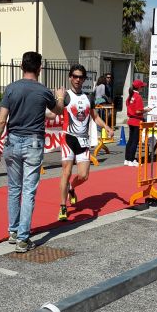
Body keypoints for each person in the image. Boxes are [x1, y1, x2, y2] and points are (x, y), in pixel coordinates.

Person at [0, 51, 65, 252]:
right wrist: (60, 97)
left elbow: (1, 120)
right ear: (39, 68)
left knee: (14, 189)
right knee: (29, 190)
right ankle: (23, 238)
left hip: (12, 141)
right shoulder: (42, 91)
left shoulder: (11, 89)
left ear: (22, 67)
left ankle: (13, 231)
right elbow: (58, 111)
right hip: (33, 142)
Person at [58, 64, 114, 221]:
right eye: (74, 76)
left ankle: (71, 188)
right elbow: (55, 110)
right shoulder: (66, 96)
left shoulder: (89, 97)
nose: (77, 80)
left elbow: (95, 117)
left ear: (84, 79)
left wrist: (107, 127)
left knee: (83, 175)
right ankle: (63, 206)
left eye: (80, 77)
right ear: (70, 77)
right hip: (68, 138)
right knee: (66, 172)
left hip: (83, 140)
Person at [124, 79, 152, 166]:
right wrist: (147, 110)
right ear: (139, 87)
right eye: (142, 87)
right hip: (136, 121)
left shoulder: (130, 96)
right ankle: (132, 160)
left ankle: (127, 159)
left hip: (131, 120)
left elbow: (131, 108)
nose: (142, 88)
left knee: (130, 140)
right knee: (135, 141)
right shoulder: (138, 97)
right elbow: (138, 111)